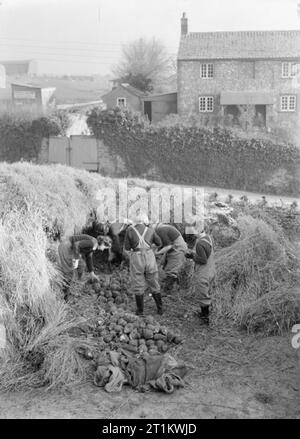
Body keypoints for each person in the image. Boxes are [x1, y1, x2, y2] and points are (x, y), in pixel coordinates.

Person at [124, 212, 163, 316]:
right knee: (154, 282)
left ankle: (140, 311)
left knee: (138, 283)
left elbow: (127, 248)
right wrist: (149, 247)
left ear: (134, 220)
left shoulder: (130, 230)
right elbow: (159, 243)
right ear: (145, 220)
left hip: (137, 257)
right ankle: (160, 309)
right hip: (149, 256)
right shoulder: (150, 230)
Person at [185, 217, 216, 325]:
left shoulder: (200, 243)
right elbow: (207, 255)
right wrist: (195, 253)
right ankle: (204, 314)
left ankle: (205, 318)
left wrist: (191, 256)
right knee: (206, 293)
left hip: (203, 272)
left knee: (203, 295)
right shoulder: (208, 238)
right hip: (211, 270)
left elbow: (202, 260)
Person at [58, 234, 101, 300]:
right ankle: (65, 296)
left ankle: (75, 286)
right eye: (105, 247)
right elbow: (76, 245)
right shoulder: (92, 243)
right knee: (68, 273)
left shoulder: (93, 246)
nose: (103, 250)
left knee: (82, 265)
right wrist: (76, 259)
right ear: (103, 243)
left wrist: (92, 273)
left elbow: (89, 257)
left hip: (71, 248)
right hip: (66, 247)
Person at [153, 223, 188, 294]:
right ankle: (176, 287)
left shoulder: (160, 230)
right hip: (173, 248)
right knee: (166, 267)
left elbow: (168, 246)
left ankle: (167, 292)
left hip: (178, 248)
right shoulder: (161, 229)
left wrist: (157, 253)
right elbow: (161, 244)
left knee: (171, 270)